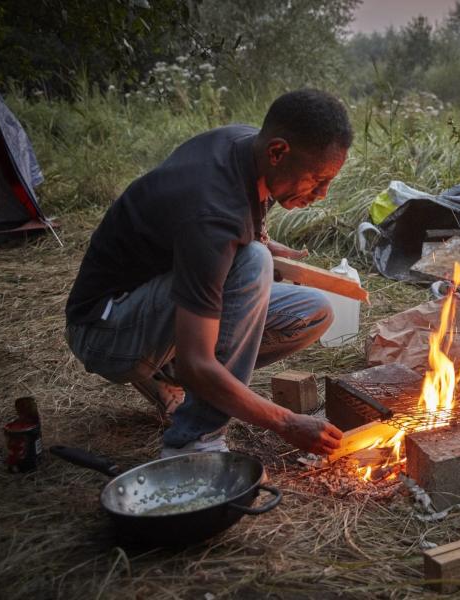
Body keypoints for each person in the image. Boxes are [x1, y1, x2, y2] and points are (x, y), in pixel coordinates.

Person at [64, 89, 348, 458]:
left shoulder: (246, 146)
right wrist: (286, 422)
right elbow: (199, 365)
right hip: (105, 331)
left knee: (313, 310)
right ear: (278, 152)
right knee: (253, 263)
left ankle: (165, 372)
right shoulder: (212, 213)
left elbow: (233, 217)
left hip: (154, 301)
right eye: (317, 179)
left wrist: (262, 238)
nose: (322, 193)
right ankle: (194, 441)